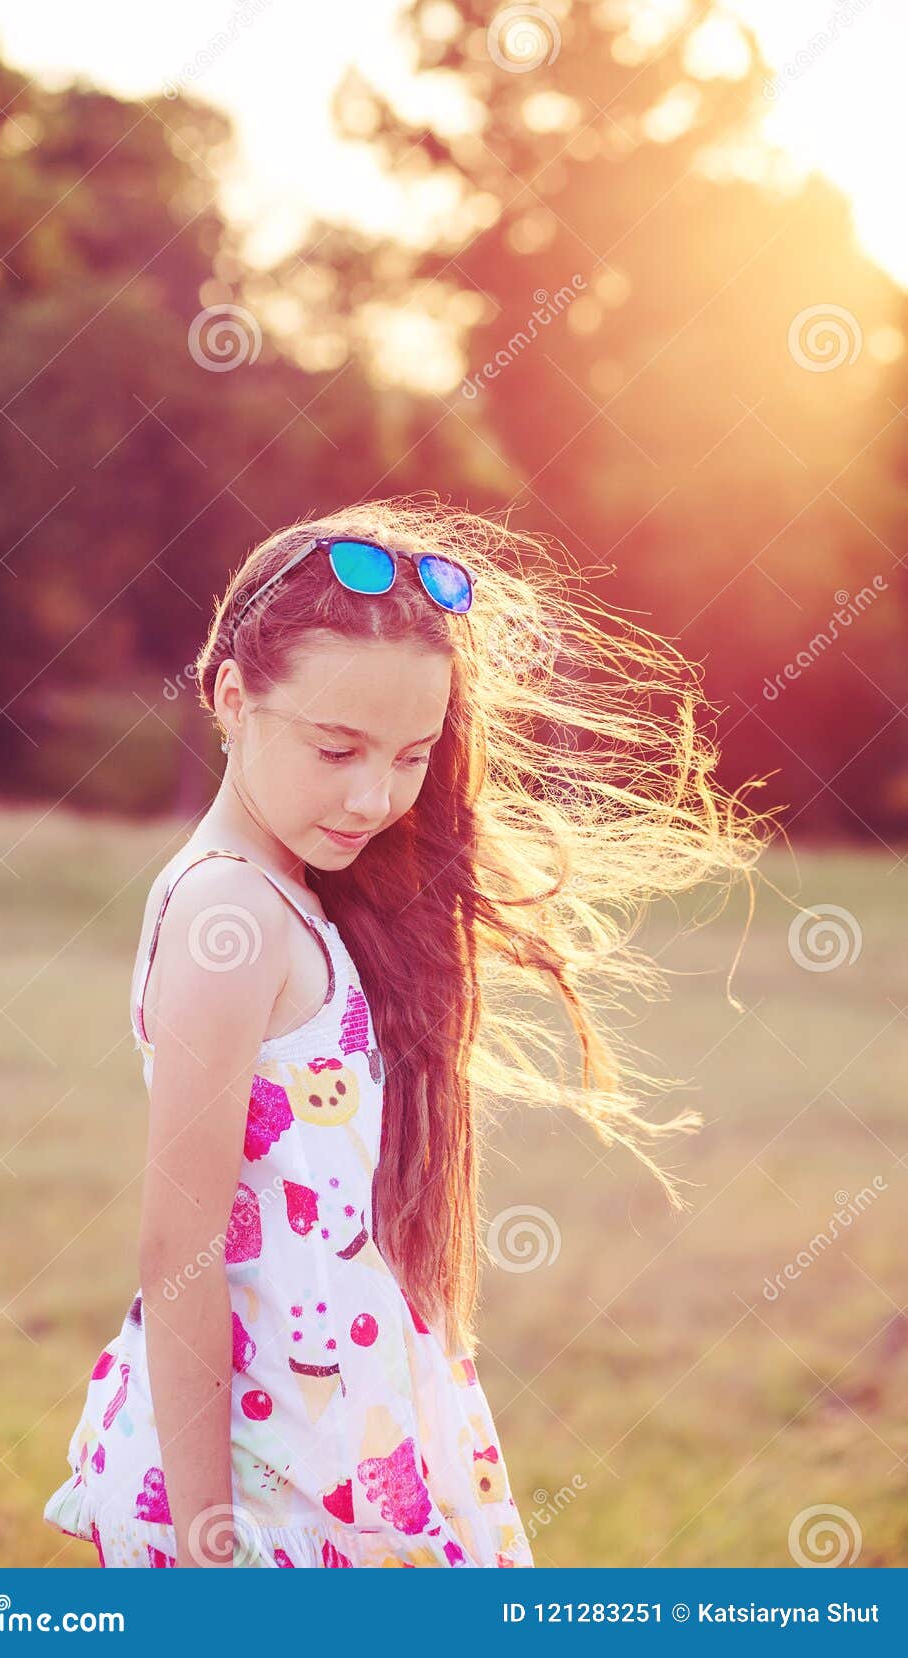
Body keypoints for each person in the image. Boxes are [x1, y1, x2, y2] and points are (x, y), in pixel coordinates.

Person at [42, 496, 772, 1567]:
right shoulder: (229, 912)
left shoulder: (290, 896)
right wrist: (205, 1551)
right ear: (232, 696)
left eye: (410, 753)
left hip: (346, 1430)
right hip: (268, 1474)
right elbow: (179, 1252)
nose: (375, 794)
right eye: (336, 749)